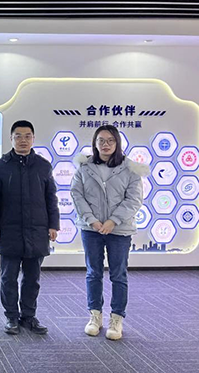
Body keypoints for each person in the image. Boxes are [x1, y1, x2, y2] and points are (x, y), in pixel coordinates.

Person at [71, 125, 147, 341]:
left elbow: (134, 200)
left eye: (110, 140)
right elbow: (76, 195)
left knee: (118, 275)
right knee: (93, 273)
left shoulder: (131, 169)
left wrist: (113, 221)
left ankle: (116, 318)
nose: (106, 144)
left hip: (119, 230)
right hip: (91, 229)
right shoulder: (84, 167)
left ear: (117, 143)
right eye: (101, 140)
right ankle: (95, 316)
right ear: (95, 143)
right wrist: (93, 221)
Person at [0, 120, 59, 335]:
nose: (23, 140)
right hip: (8, 230)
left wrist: (53, 224)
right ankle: (11, 316)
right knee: (8, 278)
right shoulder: (0, 166)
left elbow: (51, 198)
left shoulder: (43, 165)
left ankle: (29, 316)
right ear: (11, 139)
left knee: (32, 279)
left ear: (33, 138)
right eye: (18, 136)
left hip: (37, 230)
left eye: (27, 136)